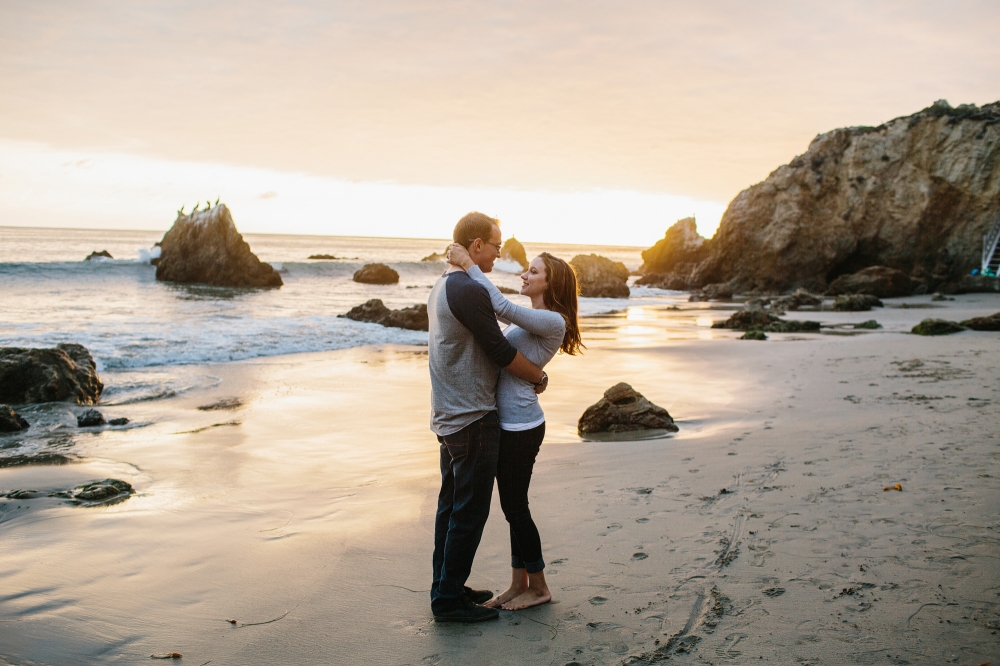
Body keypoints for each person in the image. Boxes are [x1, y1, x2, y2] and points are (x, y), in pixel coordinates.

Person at [447, 242, 584, 611]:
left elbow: (501, 307)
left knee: (515, 507)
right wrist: (539, 375)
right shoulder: (533, 319)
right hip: (508, 422)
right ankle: (517, 583)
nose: (525, 274)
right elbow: (510, 343)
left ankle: (539, 587)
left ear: (550, 282)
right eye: (527, 269)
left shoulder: (554, 320)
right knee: (512, 506)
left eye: (533, 271)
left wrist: (467, 265)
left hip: (522, 426)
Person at [428, 212, 548, 623]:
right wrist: (539, 376)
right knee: (469, 511)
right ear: (476, 246)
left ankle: (446, 586)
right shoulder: (467, 289)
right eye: (496, 245)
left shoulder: (446, 284)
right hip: (472, 416)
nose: (500, 252)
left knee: (451, 506)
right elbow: (500, 350)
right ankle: (447, 602)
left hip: (449, 414)